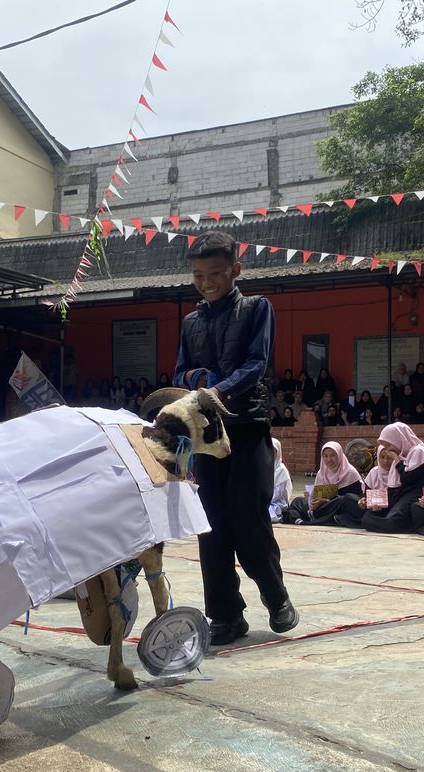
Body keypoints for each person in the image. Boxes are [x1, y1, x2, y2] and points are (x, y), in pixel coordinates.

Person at [173, 230, 297, 645]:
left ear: (235, 270)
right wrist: (193, 380)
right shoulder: (190, 322)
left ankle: (276, 596)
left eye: (215, 273)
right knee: (211, 525)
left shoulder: (257, 308)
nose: (206, 282)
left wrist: (221, 390)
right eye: (197, 274)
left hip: (246, 428)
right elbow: (178, 373)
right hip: (206, 436)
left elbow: (257, 363)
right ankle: (225, 614)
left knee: (248, 517)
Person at [359, 422, 424, 533]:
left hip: (416, 494)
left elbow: (408, 479)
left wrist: (396, 459)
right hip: (402, 494)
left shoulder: (418, 451)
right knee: (367, 518)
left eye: (389, 445)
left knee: (393, 520)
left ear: (398, 439)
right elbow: (394, 487)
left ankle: (407, 526)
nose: (388, 450)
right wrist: (379, 504)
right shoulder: (402, 454)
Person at [290, 442, 363, 525]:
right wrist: (311, 497)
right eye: (325, 456)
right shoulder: (322, 472)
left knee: (345, 499)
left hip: (339, 509)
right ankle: (312, 516)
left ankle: (309, 517)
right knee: (297, 501)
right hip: (321, 507)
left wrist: (326, 501)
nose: (329, 459)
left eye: (333, 455)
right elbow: (317, 495)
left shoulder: (350, 472)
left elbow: (354, 500)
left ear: (339, 455)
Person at [268, 437, 291, 523]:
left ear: (278, 452)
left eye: (273, 451)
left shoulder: (281, 470)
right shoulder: (263, 467)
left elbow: (276, 496)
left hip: (277, 504)